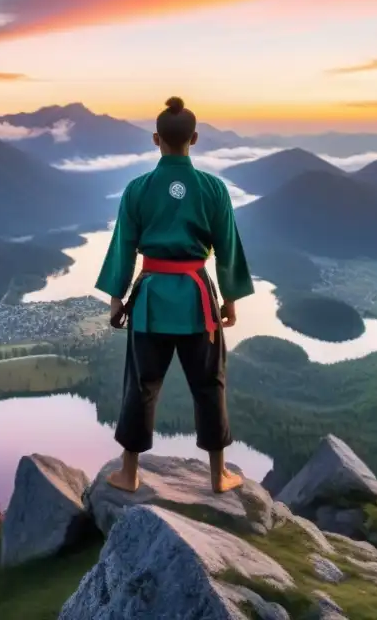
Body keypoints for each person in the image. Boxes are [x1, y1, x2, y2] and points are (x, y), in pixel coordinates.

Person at [95, 96, 254, 495]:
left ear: (156, 139)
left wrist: (117, 299)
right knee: (209, 384)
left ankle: (129, 474)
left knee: (141, 386)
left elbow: (123, 246)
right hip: (197, 301)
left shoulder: (138, 189)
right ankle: (218, 476)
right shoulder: (213, 189)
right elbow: (227, 247)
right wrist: (230, 300)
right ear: (194, 138)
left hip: (150, 302)